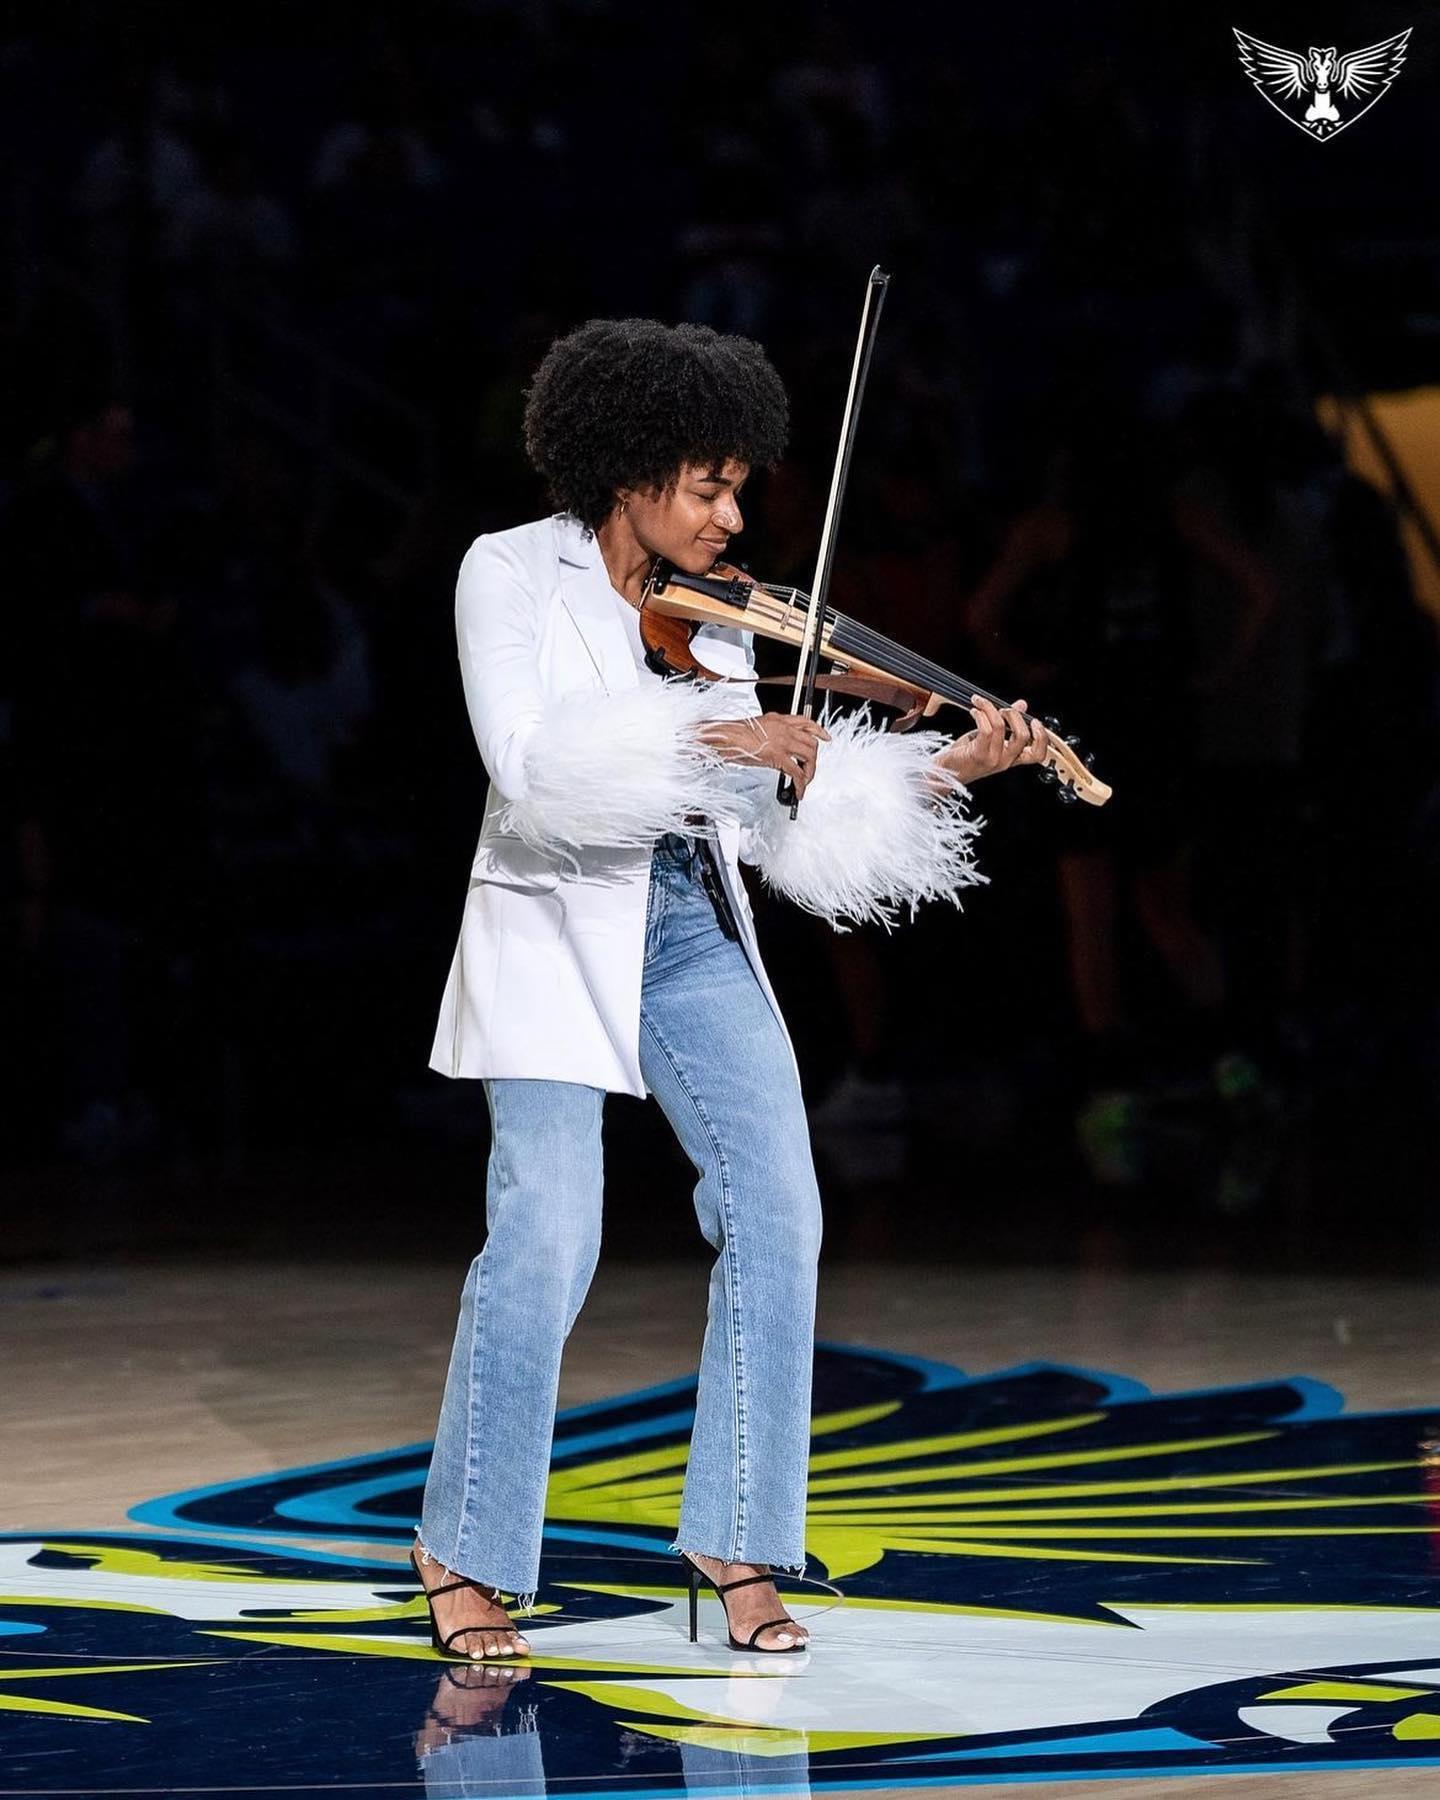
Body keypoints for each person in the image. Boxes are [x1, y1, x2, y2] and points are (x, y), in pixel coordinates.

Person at [412, 318, 1047, 1660]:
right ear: (628, 467)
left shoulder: (723, 614)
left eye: (739, 488)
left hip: (691, 923)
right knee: (548, 1236)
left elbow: (772, 821)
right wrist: (717, 731)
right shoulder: (506, 571)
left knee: (781, 1214)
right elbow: (528, 766)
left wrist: (946, 769)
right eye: (708, 487)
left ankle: (739, 1537)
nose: (732, 516)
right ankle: (462, 1547)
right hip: (553, 923)